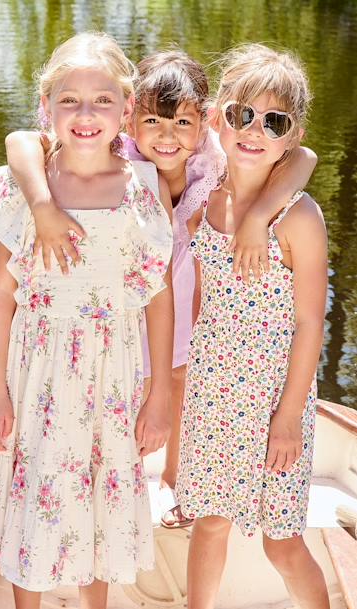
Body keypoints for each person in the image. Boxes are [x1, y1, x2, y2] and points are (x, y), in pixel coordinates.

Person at [4, 49, 317, 528]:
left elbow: (303, 156)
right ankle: (110, 483)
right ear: (130, 119)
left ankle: (179, 484)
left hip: (195, 288)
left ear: (204, 122)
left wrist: (257, 214)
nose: (167, 137)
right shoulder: (116, 153)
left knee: (181, 383)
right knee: (128, 381)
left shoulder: (214, 157)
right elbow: (23, 139)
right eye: (152, 120)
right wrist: (43, 204)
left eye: (182, 124)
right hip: (134, 292)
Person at [0, 31, 174, 609]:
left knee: (99, 503)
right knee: (34, 503)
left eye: (103, 100)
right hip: (36, 375)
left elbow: (156, 295)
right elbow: (1, 296)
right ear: (46, 108)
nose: (86, 114)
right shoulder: (23, 190)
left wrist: (158, 396)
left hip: (111, 376)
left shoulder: (142, 191)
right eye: (69, 100)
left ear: (127, 110)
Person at [177, 44, 329, 609]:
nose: (254, 130)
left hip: (274, 399)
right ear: (218, 114)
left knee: (281, 542)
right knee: (209, 524)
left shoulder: (299, 217)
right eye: (241, 114)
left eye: (274, 122)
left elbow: (312, 322)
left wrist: (289, 416)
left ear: (291, 135)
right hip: (214, 393)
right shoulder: (201, 198)